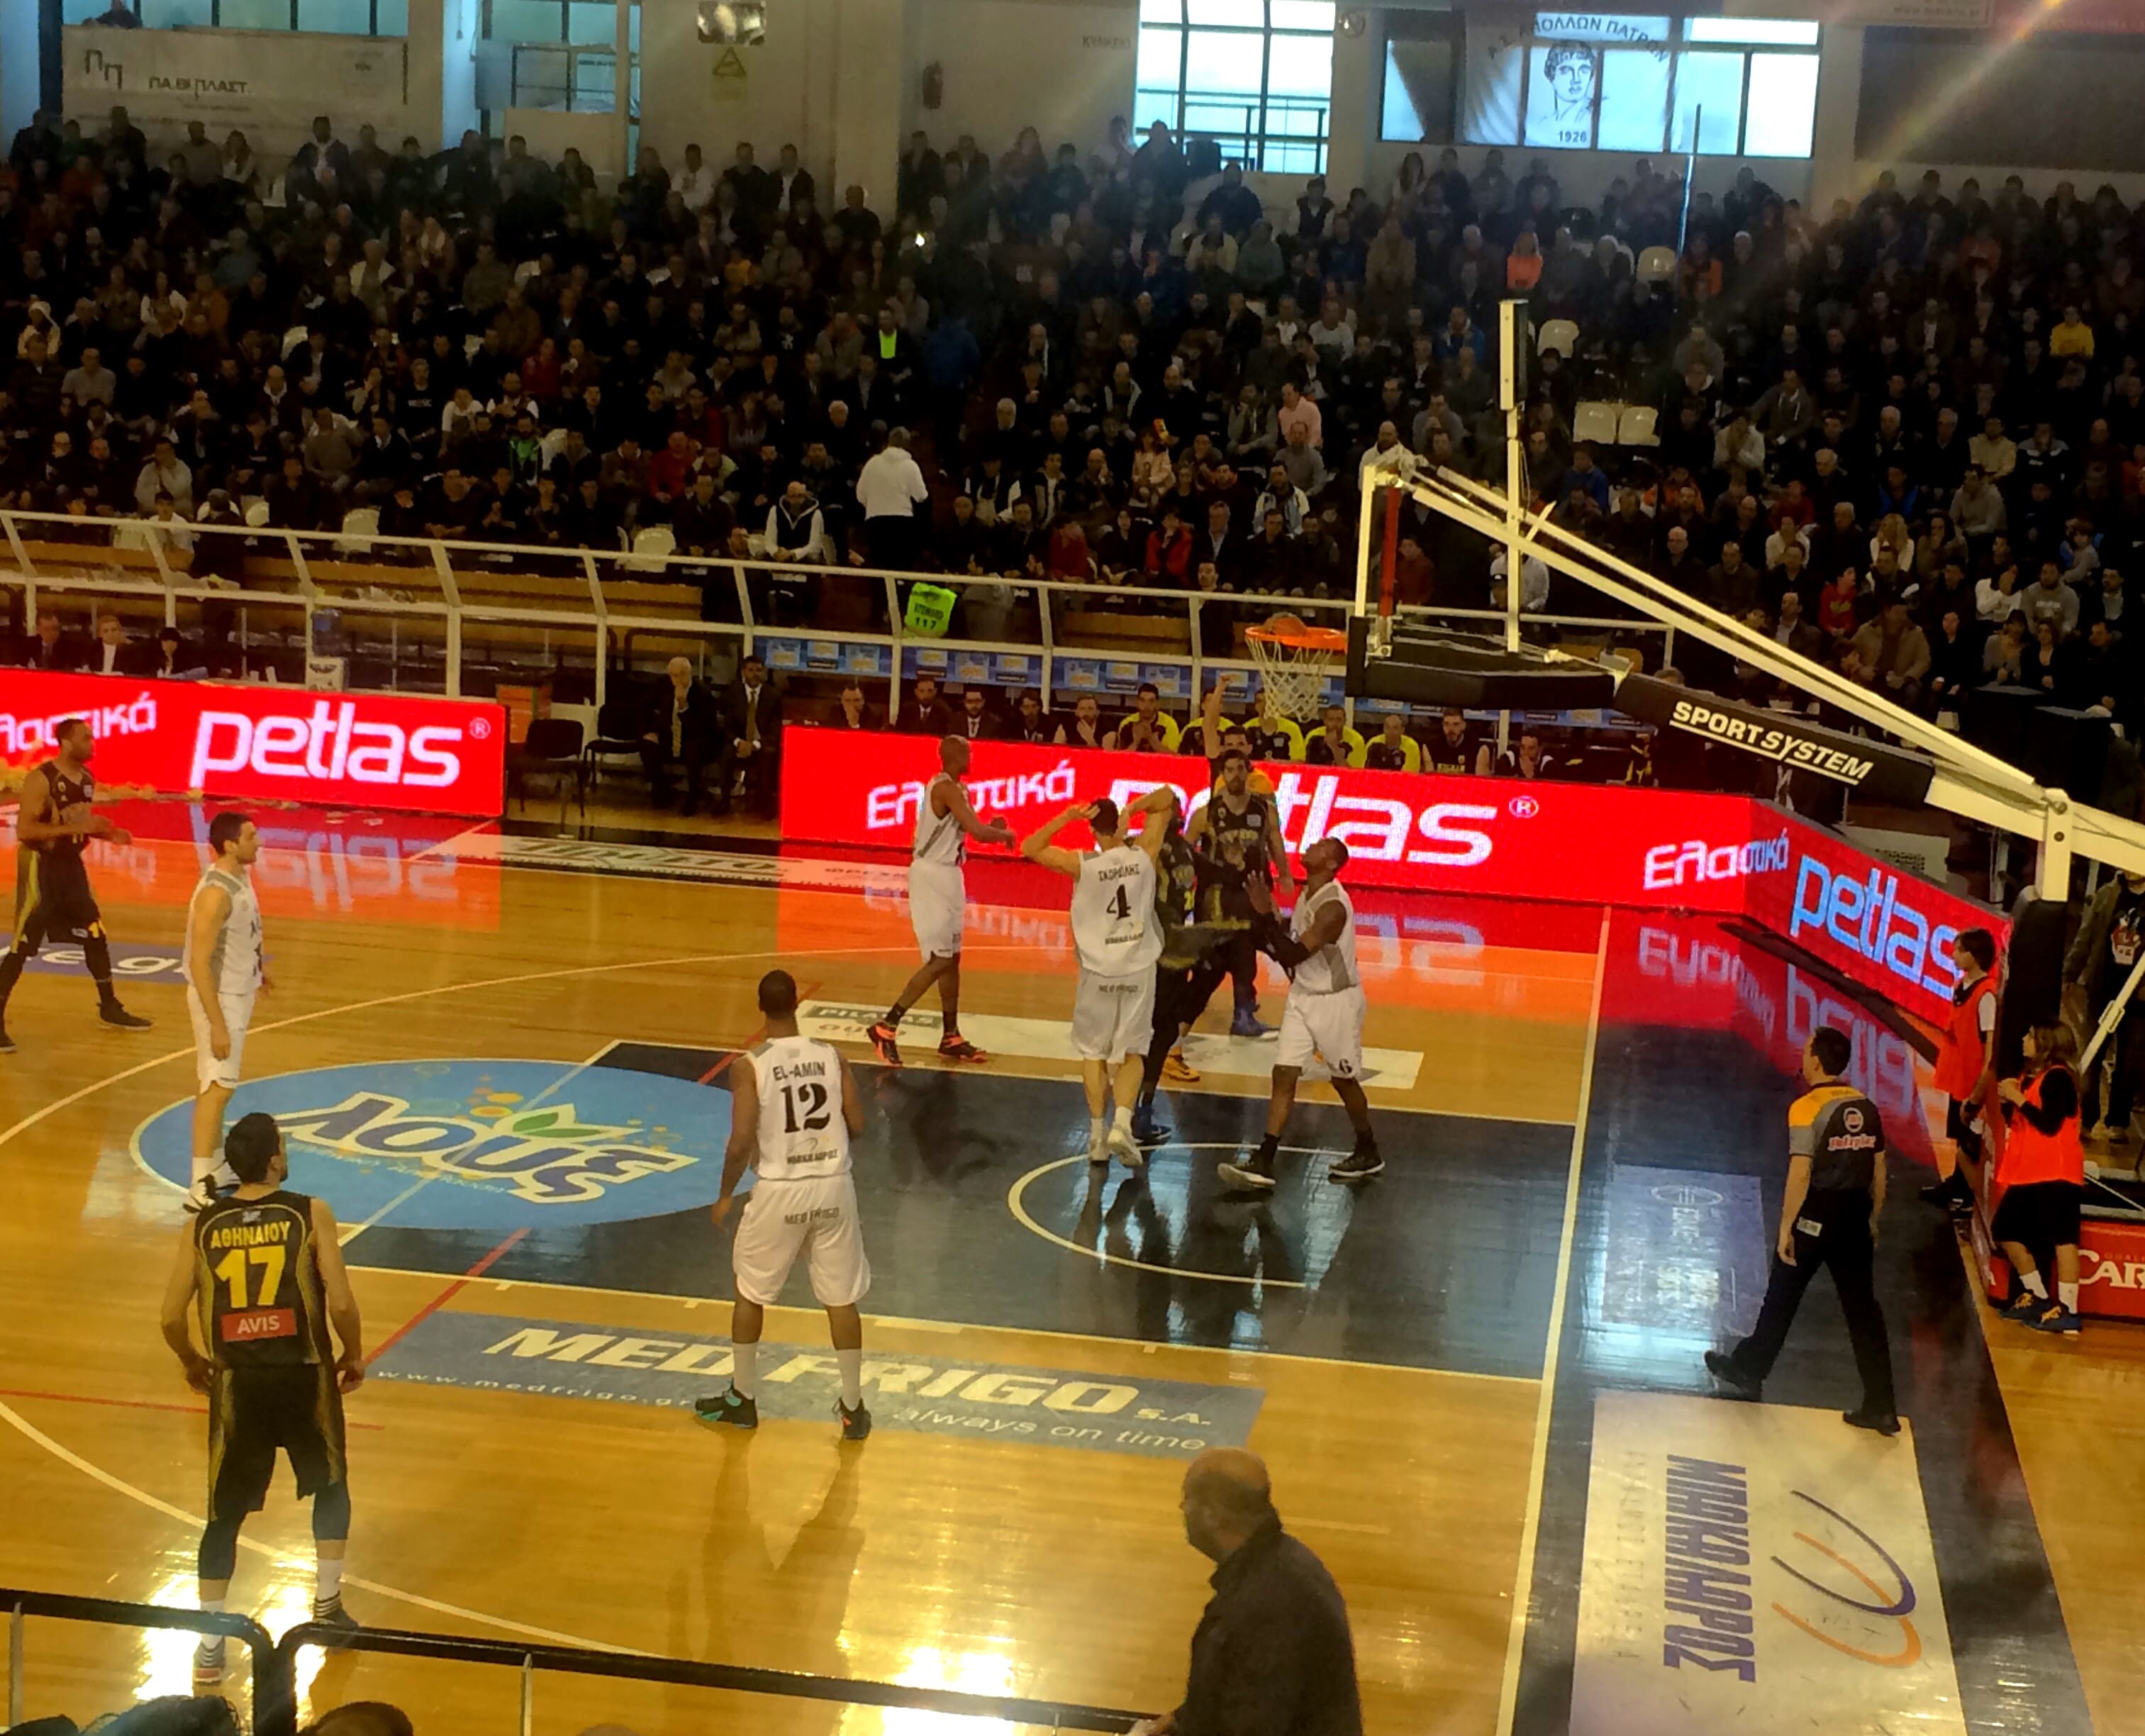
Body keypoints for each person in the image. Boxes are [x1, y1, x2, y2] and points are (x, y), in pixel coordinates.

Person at [159, 1113, 364, 1691]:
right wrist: (353, 1353)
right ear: (274, 1159)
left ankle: (209, 1647)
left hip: (237, 1383)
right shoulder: (309, 1211)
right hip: (304, 1374)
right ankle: (327, 1606)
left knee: (223, 1515)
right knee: (330, 1484)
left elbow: (170, 1317)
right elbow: (340, 1301)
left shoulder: (202, 1224)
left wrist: (192, 1361)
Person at [696, 969, 874, 1440]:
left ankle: (742, 1398)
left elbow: (740, 1141)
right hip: (834, 1187)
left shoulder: (750, 1066)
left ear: (760, 1008)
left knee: (751, 1292)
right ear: (796, 1004)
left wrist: (724, 1195)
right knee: (841, 1299)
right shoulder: (832, 1056)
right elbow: (858, 1124)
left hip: (780, 1189)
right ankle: (854, 1407)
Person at [1705, 1025, 1898, 1435]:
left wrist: (1785, 1227)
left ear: (1816, 1060)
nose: (1803, 1055)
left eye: (1807, 1050)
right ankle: (1882, 1405)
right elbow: (1880, 1172)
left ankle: (1749, 1370)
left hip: (1816, 1215)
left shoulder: (1806, 1108)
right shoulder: (1867, 1107)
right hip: (1856, 1216)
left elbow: (1800, 1173)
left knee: (1782, 1296)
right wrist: (1873, 1219)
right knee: (1864, 1312)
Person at [1127, 1447, 1361, 1736]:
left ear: (1213, 1515)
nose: (1182, 1507)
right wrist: (1182, 1720)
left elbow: (1252, 1723)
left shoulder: (1261, 1608)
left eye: (1188, 1498)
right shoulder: (1288, 1563)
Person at [1218, 839, 1381, 1190]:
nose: (1311, 846)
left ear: (1332, 864)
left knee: (1343, 1080)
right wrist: (1267, 915)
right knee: (1284, 1073)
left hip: (1335, 1001)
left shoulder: (1333, 907)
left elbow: (1292, 955)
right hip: (1303, 996)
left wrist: (1265, 915)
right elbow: (1288, 942)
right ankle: (1264, 1158)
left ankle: (1368, 1148)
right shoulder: (1309, 893)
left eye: (1320, 847)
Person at [1020, 791, 1172, 1167]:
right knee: (1133, 1051)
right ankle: (1122, 1124)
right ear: (1119, 824)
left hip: (1097, 970)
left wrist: (1066, 817)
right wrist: (1135, 809)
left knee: (1094, 1053)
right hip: (1137, 967)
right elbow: (1167, 798)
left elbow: (1029, 847)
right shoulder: (1144, 855)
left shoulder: (1083, 864)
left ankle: (1096, 1138)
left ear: (1091, 829)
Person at [0, 717, 152, 1052]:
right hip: (40, 865)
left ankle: (109, 1006)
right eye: (86, 738)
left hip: (70, 866)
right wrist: (76, 829)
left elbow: (79, 825)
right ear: (67, 743)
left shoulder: (86, 779)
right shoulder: (41, 780)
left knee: (95, 931)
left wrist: (108, 834)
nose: (92, 743)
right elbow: (25, 831)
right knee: (24, 942)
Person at [868, 735, 1013, 1067]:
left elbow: (971, 829)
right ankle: (886, 1026)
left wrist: (991, 828)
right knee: (939, 959)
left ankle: (951, 1036)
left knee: (952, 958)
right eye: (968, 752)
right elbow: (978, 832)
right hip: (931, 876)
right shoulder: (945, 788)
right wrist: (1002, 834)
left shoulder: (959, 789)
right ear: (955, 756)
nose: (971, 756)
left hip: (949, 875)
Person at [183, 813, 266, 1213]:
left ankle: (215, 1163)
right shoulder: (215, 894)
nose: (259, 841)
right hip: (219, 999)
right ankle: (199, 1183)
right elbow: (199, 963)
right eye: (251, 836)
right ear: (230, 845)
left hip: (237, 992)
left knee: (221, 1086)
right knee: (216, 1087)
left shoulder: (240, 877)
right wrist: (217, 1023)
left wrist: (259, 968)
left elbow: (243, 933)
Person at [1186, 745, 1293, 1037]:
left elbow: (1276, 844)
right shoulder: (1206, 814)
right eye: (1230, 770)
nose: (1235, 775)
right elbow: (1186, 851)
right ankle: (1184, 1011)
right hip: (1215, 897)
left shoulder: (1264, 810)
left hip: (1251, 894)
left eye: (1240, 769)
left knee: (1246, 953)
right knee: (1210, 960)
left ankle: (1243, 1014)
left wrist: (1285, 876)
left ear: (1248, 772)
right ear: (1222, 774)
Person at [1990, 1021, 2087, 1337]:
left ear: (2046, 1042)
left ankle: (2069, 1309)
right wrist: (2011, 1100)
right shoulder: (2036, 1077)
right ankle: (2038, 1296)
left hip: (2057, 1172)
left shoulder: (2059, 1078)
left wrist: (2018, 1098)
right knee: (2004, 1228)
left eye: (2030, 1035)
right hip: (2031, 1171)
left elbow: (2049, 1123)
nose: (2023, 1039)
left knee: (2063, 1238)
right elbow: (2025, 1121)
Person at [2063, 869, 2145, 1148]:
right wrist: (2071, 972)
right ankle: (2086, 1118)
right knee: (2091, 1054)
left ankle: (2118, 1121)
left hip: (2138, 997)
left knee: (2129, 1061)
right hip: (2103, 987)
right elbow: (2085, 936)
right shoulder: (2107, 894)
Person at [1921, 927, 1998, 1213]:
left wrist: (1979, 1090)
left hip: (1972, 1082)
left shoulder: (1986, 995)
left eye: (1959, 950)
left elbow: (1990, 1048)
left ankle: (1969, 1198)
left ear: (1975, 956)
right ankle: (1956, 1184)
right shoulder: (1961, 986)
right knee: (1958, 1135)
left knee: (1970, 1143)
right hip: (1958, 1078)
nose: (1953, 955)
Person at [640, 656, 718, 815]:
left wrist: (683, 707)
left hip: (694, 738)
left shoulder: (703, 693)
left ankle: (692, 796)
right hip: (669, 736)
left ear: (690, 673)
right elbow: (642, 707)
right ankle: (662, 789)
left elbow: (704, 728)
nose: (679, 679)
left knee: (694, 749)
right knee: (647, 745)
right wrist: (647, 732)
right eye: (674, 675)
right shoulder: (663, 687)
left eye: (683, 674)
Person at [714, 653, 781, 818]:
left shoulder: (773, 696)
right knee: (727, 753)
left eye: (759, 670)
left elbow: (774, 729)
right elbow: (726, 727)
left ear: (764, 673)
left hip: (761, 743)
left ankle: (765, 801)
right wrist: (739, 742)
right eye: (751, 670)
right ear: (743, 672)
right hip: (738, 741)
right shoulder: (732, 694)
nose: (755, 674)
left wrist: (755, 745)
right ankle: (724, 799)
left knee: (770, 754)